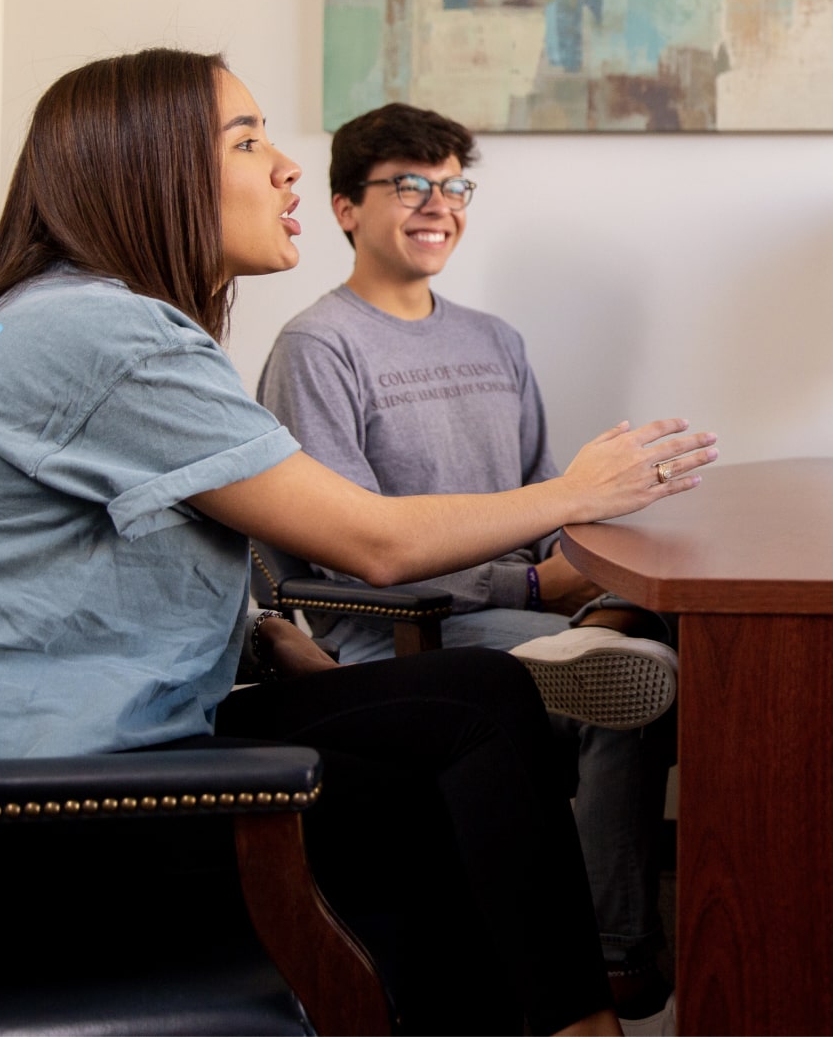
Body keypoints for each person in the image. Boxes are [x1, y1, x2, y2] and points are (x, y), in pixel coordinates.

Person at [0, 49, 719, 1034]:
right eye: (249, 140)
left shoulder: (57, 317)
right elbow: (370, 540)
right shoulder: (106, 333)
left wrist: (262, 637)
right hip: (11, 826)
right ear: (148, 164)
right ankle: (553, 1016)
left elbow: (84, 559)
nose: (289, 166)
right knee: (448, 790)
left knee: (473, 701)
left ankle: (540, 1015)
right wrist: (576, 488)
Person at [257, 102, 680, 1027]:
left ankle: (605, 632)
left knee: (676, 634)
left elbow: (539, 496)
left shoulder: (497, 341)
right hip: (400, 637)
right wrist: (530, 587)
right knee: (638, 681)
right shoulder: (317, 347)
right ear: (343, 208)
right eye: (408, 183)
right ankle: (615, 958)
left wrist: (576, 561)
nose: (436, 203)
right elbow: (355, 546)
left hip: (527, 606)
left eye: (452, 183)